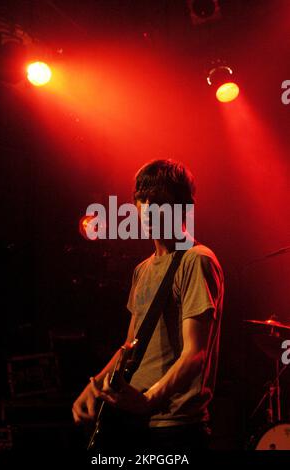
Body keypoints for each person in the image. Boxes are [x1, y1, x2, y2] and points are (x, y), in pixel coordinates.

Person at [72, 159, 224, 454]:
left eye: (158, 202)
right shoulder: (142, 270)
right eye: (142, 200)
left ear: (182, 208)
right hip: (133, 420)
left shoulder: (197, 260)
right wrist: (94, 386)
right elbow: (130, 345)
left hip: (175, 426)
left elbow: (196, 353)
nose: (147, 209)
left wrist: (149, 400)